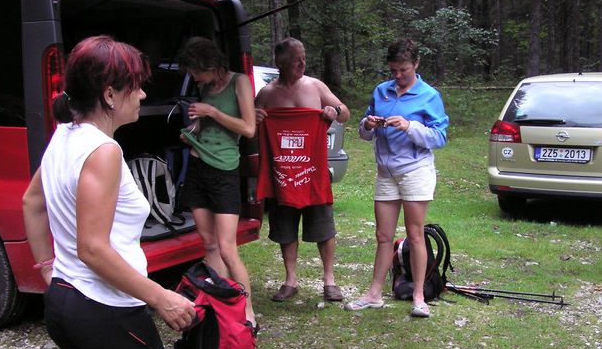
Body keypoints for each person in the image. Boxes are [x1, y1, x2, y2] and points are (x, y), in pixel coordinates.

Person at [22, 35, 196, 349]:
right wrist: (161, 297)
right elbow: (94, 250)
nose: (143, 94)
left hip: (65, 303)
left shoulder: (64, 136)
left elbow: (31, 202)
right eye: (136, 86)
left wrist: (48, 269)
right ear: (110, 94)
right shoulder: (103, 151)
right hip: (106, 308)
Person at [344, 38, 449, 318]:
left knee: (415, 234)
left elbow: (439, 137)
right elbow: (364, 132)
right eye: (393, 70)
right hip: (386, 172)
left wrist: (409, 126)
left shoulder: (429, 95)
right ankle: (374, 294)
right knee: (383, 236)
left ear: (416, 64)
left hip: (415, 171)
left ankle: (419, 297)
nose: (398, 75)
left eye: (404, 70)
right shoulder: (382, 91)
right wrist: (368, 124)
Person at [255, 37, 350, 303]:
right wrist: (255, 118)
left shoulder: (315, 86)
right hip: (282, 174)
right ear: (280, 63)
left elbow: (345, 113)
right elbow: (249, 130)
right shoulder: (267, 94)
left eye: (304, 59)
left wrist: (334, 110)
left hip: (313, 172)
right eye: (296, 60)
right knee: (285, 228)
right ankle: (290, 280)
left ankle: (329, 280)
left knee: (323, 227)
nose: (302, 64)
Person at [177, 36, 257, 326]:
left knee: (226, 247)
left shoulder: (239, 82)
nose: (194, 78)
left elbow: (248, 128)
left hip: (224, 169)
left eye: (196, 72)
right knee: (209, 243)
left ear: (209, 64)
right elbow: (206, 125)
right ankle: (221, 307)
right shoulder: (205, 86)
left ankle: (247, 312)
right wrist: (192, 132)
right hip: (198, 166)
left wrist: (211, 111)